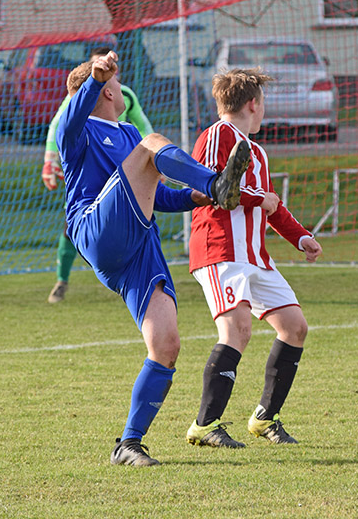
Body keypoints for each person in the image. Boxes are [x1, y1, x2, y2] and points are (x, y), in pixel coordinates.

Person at [56, 52, 251, 466]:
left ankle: (128, 444)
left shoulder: (128, 133)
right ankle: (216, 183)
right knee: (152, 143)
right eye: (116, 84)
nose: (122, 87)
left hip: (138, 247)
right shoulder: (79, 130)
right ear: (109, 92)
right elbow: (69, 121)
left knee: (166, 345)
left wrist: (192, 198)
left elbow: (154, 194)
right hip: (96, 229)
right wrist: (94, 78)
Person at [184, 68, 323, 449]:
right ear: (253, 104)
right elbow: (213, 186)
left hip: (254, 256)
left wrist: (301, 237)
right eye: (263, 103)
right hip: (220, 251)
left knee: (294, 327)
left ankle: (264, 418)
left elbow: (272, 205)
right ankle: (205, 425)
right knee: (237, 331)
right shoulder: (217, 136)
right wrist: (259, 198)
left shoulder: (256, 151)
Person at [42, 46, 153, 304]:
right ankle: (61, 280)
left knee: (140, 221)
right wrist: (49, 160)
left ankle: (134, 277)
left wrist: (154, 161)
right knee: (71, 228)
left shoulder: (126, 98)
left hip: (123, 171)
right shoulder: (79, 98)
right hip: (91, 171)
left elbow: (144, 127)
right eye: (95, 66)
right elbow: (59, 125)